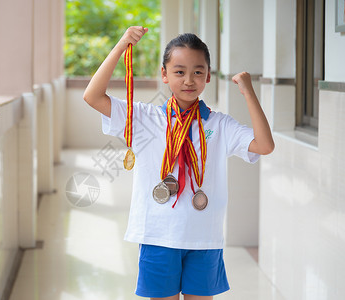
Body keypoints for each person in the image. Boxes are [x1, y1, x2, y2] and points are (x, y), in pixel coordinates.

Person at [83, 26, 274, 300]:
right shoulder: (145, 119)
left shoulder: (218, 124)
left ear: (208, 76)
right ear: (164, 74)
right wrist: (122, 45)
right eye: (179, 71)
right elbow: (92, 96)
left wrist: (249, 93)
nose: (189, 80)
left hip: (204, 238)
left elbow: (265, 145)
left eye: (198, 71)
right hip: (158, 236)